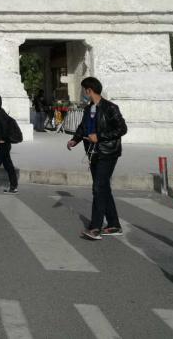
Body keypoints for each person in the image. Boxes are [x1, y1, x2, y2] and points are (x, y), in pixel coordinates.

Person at [67, 76, 127, 240]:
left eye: (83, 90)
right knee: (103, 188)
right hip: (93, 153)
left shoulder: (110, 108)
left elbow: (122, 129)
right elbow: (83, 128)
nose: (83, 94)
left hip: (108, 153)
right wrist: (74, 140)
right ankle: (114, 224)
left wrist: (99, 137)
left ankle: (95, 228)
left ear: (89, 90)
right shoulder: (88, 109)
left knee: (98, 188)